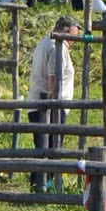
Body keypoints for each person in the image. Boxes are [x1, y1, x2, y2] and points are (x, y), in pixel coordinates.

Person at [25, 15, 78, 192]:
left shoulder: (45, 42)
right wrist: (55, 106)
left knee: (43, 147)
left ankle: (40, 186)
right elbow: (53, 78)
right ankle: (44, 187)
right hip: (49, 105)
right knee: (51, 148)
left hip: (40, 102)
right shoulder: (57, 46)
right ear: (70, 30)